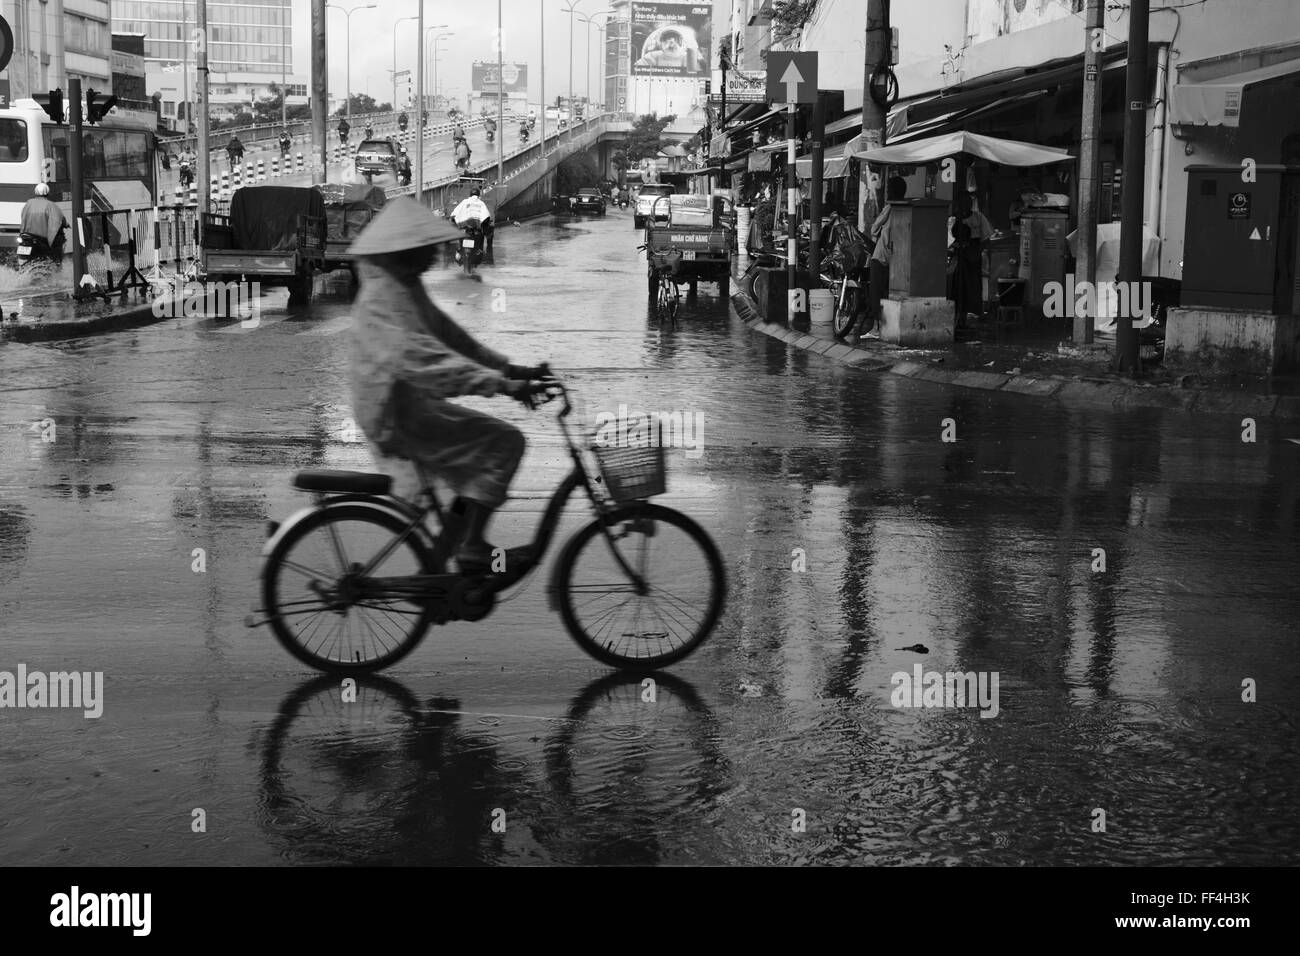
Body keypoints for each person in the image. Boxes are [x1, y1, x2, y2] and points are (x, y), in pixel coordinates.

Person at [347, 198, 546, 570]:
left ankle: (445, 555)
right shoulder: (382, 300)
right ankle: (471, 546)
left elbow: (451, 339)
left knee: (480, 453)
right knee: (505, 442)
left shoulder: (405, 288)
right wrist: (501, 385)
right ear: (405, 252)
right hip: (393, 413)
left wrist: (511, 369)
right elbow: (431, 362)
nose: (433, 255)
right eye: (425, 249)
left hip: (406, 403)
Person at [947, 191, 994, 330]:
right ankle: (957, 317)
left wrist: (975, 251)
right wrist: (955, 247)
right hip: (957, 259)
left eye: (968, 202)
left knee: (972, 289)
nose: (966, 205)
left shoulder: (978, 218)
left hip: (973, 259)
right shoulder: (952, 220)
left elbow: (986, 240)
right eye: (963, 202)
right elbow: (947, 243)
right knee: (955, 288)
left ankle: (967, 318)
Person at [20, 183, 69, 261]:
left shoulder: (28, 203)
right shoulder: (51, 205)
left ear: (35, 192)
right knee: (57, 244)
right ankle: (56, 263)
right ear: (48, 193)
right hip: (41, 238)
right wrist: (66, 224)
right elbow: (58, 218)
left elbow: (23, 215)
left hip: (26, 235)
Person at [451, 186, 493, 253]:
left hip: (466, 227)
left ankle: (460, 249)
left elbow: (455, 212)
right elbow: (486, 215)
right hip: (476, 227)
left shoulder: (465, 201)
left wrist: (454, 220)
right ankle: (478, 249)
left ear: (470, 194)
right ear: (478, 195)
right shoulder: (481, 203)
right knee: (481, 235)